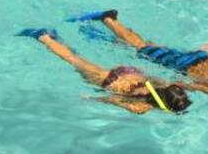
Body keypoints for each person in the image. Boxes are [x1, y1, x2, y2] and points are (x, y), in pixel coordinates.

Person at [67, 10, 208, 97]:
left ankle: (96, 34)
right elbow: (186, 85)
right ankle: (108, 19)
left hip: (199, 57)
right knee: (140, 47)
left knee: (148, 45)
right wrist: (162, 83)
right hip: (180, 65)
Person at [17, 27, 191, 114]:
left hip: (129, 72)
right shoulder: (141, 106)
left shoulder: (164, 85)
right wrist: (92, 98)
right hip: (108, 80)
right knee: (72, 60)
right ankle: (42, 36)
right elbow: (113, 99)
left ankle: (58, 38)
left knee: (78, 58)